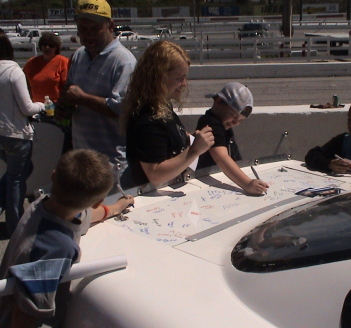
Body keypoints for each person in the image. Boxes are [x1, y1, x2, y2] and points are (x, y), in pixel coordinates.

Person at [0, 149, 134, 328]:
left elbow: (84, 216)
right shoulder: (55, 247)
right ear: (97, 201)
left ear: (53, 176)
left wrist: (116, 207)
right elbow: (25, 314)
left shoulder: (42, 204)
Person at [55, 0, 137, 177]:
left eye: (95, 28)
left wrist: (82, 98)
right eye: (83, 29)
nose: (89, 35)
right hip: (80, 159)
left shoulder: (123, 61)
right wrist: (63, 109)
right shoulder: (79, 55)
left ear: (110, 26)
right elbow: (70, 96)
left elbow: (121, 109)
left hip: (111, 164)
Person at [122, 40, 214, 188]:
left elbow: (165, 141)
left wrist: (187, 138)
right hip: (149, 199)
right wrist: (194, 150)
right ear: (158, 77)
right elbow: (155, 174)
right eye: (179, 78)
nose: (184, 84)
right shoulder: (146, 118)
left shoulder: (162, 106)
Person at [0, 33, 45, 238]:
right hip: (16, 134)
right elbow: (27, 108)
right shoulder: (14, 71)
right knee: (17, 179)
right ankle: (15, 226)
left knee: (13, 175)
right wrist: (43, 105)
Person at [196, 82, 269, 195]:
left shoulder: (222, 124)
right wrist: (247, 183)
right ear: (219, 102)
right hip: (205, 180)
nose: (235, 123)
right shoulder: (211, 124)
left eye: (240, 120)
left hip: (215, 177)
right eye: (234, 116)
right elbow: (221, 158)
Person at [23, 32, 69, 103]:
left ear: (56, 48)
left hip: (56, 106)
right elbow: (23, 84)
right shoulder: (31, 62)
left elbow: (67, 87)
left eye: (51, 45)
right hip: (35, 105)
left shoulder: (62, 62)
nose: (47, 47)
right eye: (44, 44)